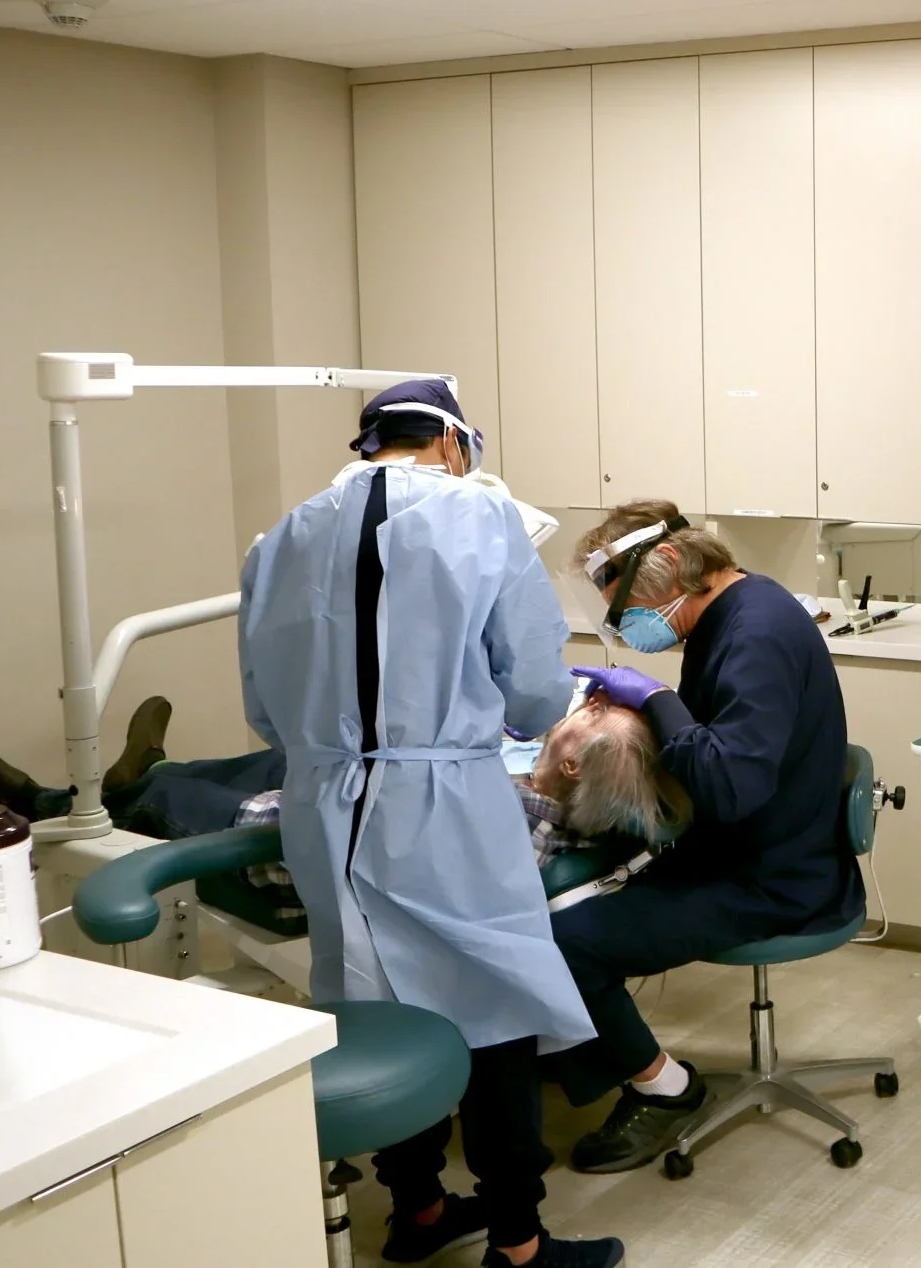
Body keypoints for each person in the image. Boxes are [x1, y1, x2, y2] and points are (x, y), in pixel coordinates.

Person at [239, 380, 621, 1268]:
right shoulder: (480, 519)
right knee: (493, 1015)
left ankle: (415, 1208)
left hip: (323, 809)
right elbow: (532, 690)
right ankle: (520, 1246)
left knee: (373, 1003)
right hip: (444, 806)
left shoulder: (278, 539)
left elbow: (264, 711)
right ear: (452, 443)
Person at [549, 500, 855, 1174]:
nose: (619, 626)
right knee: (552, 907)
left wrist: (655, 699)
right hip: (741, 848)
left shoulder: (756, 635)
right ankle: (585, 1049)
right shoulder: (734, 612)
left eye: (619, 608)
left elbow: (729, 784)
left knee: (563, 941)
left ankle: (667, 1091)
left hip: (771, 877)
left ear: (666, 574)